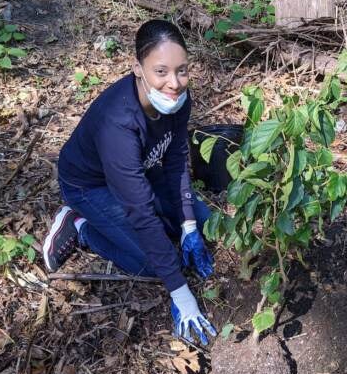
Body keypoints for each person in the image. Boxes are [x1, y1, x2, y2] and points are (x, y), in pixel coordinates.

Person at [42, 19, 217, 345]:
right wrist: (180, 293)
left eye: (182, 70)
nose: (174, 83)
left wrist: (189, 224)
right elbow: (141, 212)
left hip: (140, 169)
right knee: (155, 264)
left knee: (206, 223)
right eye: (161, 71)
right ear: (138, 68)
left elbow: (177, 158)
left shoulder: (178, 100)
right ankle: (81, 226)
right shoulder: (118, 125)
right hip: (91, 186)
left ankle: (185, 227)